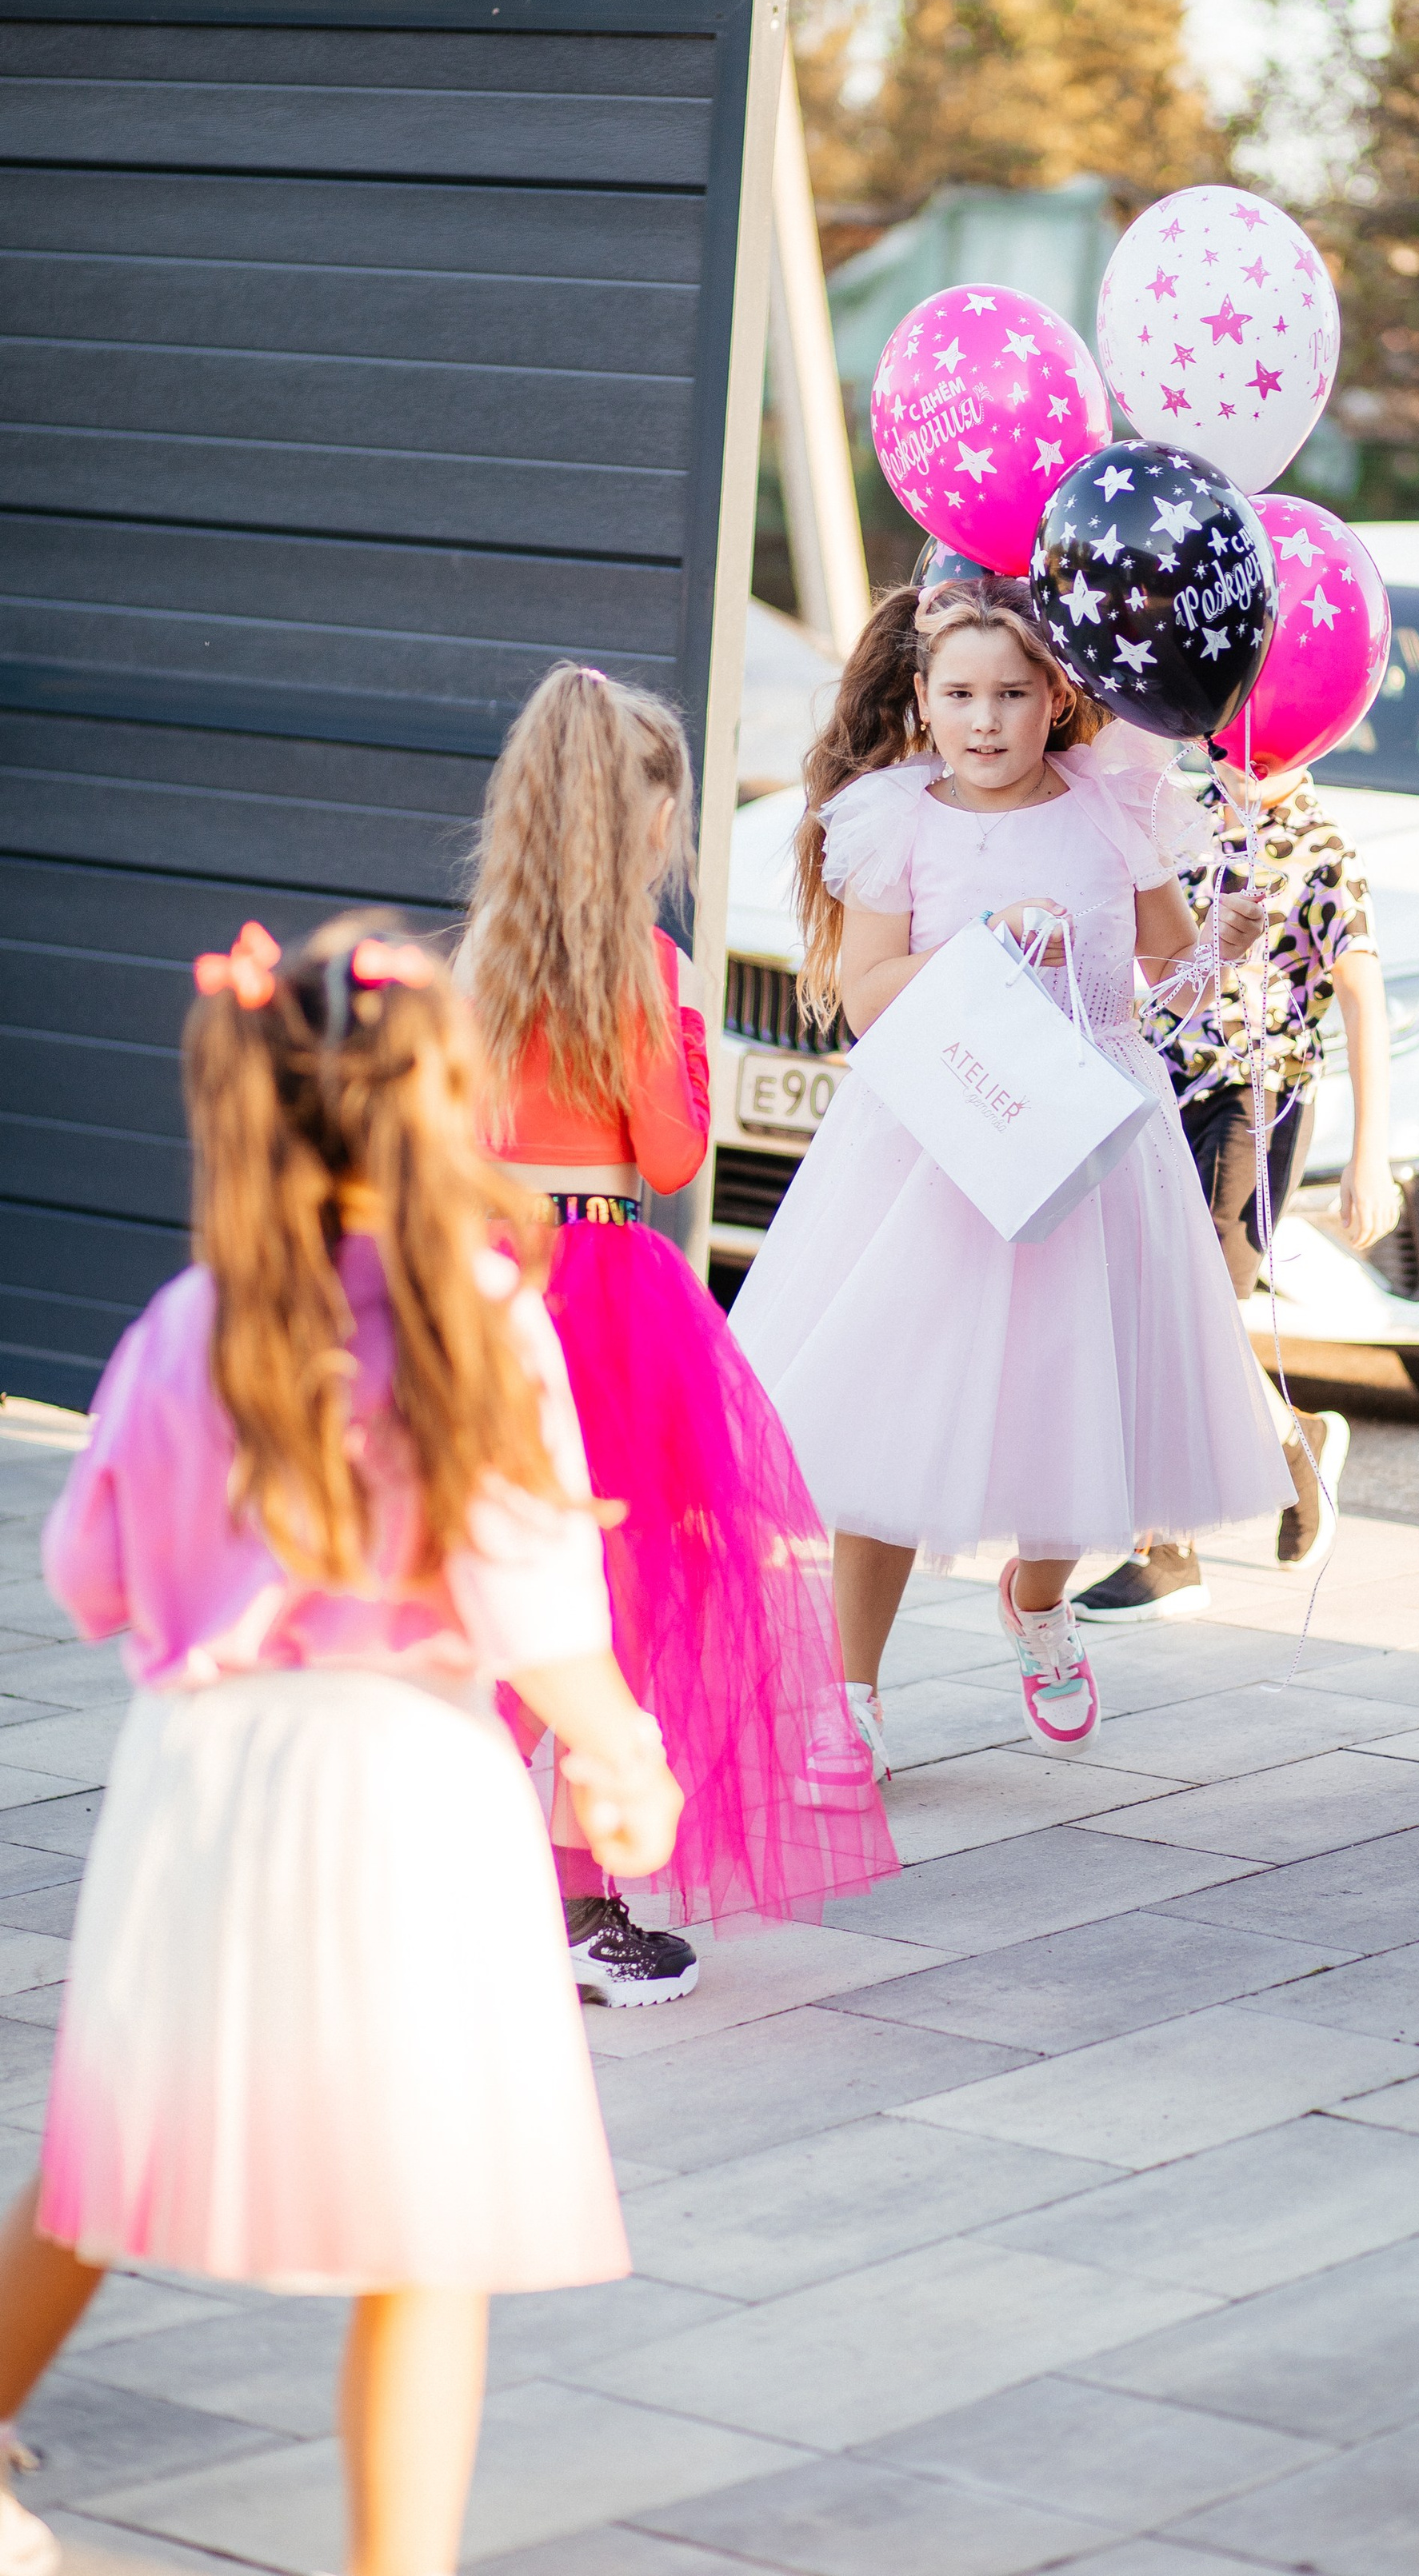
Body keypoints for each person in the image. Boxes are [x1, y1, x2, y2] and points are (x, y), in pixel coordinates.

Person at [0, 913, 680, 2576]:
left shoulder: (190, 1323)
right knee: (430, 2213)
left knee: (116, 2137)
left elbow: (86, 1572)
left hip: (206, 1778)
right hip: (413, 1787)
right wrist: (623, 1760)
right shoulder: (483, 1325)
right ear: (449, 1110)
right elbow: (537, 1608)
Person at [727, 573, 1292, 1779]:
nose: (984, 720)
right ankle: (852, 1693)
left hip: (1095, 1137)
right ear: (923, 701)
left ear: (1059, 703)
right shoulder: (896, 821)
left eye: (1012, 694)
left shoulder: (1110, 811)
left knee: (1088, 1407)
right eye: (960, 694)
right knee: (888, 1421)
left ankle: (1040, 1603)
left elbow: (1166, 983)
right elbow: (872, 990)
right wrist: (980, 950)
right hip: (940, 1137)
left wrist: (1222, 949)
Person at [462, 663, 895, 1999]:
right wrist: (689, 1043)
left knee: (479, 1579)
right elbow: (666, 1151)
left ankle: (447, 1874)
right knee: (620, 1596)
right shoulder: (643, 970)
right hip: (598, 1288)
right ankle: (578, 1902)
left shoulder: (478, 960)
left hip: (481, 1278)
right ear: (641, 819)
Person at [1075, 750, 1402, 1622]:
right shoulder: (1179, 820)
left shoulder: (1322, 845)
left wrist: (1371, 1156)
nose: (1245, 760)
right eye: (1231, 742)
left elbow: (1365, 999)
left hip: (1260, 1096)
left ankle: (1168, 1550)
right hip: (1160, 1086)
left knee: (1196, 1309)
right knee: (1156, 1305)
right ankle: (1297, 1443)